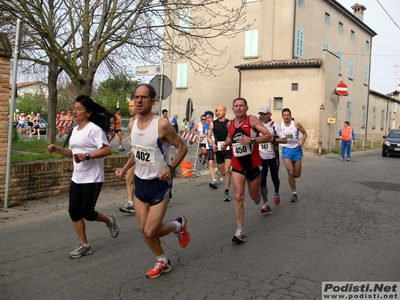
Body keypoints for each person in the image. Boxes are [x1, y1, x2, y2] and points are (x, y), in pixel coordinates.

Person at [115, 83, 190, 279]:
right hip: (141, 182)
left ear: (153, 101)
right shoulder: (131, 125)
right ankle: (162, 261)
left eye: (143, 97)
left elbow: (182, 148)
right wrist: (125, 168)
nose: (138, 100)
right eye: (136, 97)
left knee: (150, 230)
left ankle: (178, 225)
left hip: (159, 183)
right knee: (143, 229)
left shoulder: (162, 125)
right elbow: (136, 151)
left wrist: (171, 168)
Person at [47, 95, 119, 259]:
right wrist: (58, 149)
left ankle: (109, 220)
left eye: (79, 109)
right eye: (75, 109)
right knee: (74, 211)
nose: (75, 111)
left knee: (87, 213)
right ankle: (84, 245)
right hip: (77, 177)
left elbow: (106, 150)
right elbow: (72, 153)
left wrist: (87, 156)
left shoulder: (94, 129)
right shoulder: (75, 130)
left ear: (88, 112)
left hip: (93, 178)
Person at [221, 98, 273, 243]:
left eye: (241, 106)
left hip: (253, 165)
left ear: (246, 108)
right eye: (236, 106)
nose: (238, 108)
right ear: (232, 109)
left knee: (254, 196)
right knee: (238, 196)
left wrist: (252, 140)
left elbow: (269, 136)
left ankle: (259, 198)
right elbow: (230, 137)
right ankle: (240, 231)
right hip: (237, 166)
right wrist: (226, 143)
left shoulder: (252, 121)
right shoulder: (230, 124)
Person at [258, 106, 287, 213]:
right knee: (262, 180)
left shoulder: (275, 126)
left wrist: (273, 139)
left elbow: (285, 140)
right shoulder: (257, 126)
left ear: (270, 115)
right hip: (261, 157)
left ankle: (276, 192)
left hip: (273, 157)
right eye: (260, 114)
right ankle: (265, 203)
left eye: (264, 114)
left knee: (275, 178)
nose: (262, 116)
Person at [281, 108, 307, 203]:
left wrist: (302, 142)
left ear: (290, 116)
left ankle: (292, 178)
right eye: (285, 115)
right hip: (286, 150)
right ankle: (294, 193)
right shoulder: (280, 126)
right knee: (291, 172)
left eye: (288, 115)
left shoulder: (296, 124)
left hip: (296, 150)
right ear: (282, 116)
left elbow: (304, 133)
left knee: (297, 174)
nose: (286, 117)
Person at [207, 105, 232, 202]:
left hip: (228, 148)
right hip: (219, 149)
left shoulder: (229, 123)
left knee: (227, 170)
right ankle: (219, 172)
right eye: (217, 111)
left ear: (225, 112)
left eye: (220, 111)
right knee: (222, 172)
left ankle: (226, 192)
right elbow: (208, 137)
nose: (218, 112)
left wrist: (228, 143)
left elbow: (232, 135)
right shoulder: (213, 123)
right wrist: (213, 145)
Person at [119, 99, 138, 213]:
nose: (129, 108)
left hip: (144, 154)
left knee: (143, 178)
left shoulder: (143, 120)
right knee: (129, 176)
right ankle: (131, 203)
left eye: (132, 106)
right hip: (134, 152)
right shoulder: (131, 121)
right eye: (129, 106)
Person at [203, 111, 218, 189]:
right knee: (211, 163)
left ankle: (219, 171)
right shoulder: (205, 126)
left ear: (212, 117)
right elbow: (204, 134)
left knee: (220, 164)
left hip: (218, 146)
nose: (208, 120)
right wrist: (201, 136)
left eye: (209, 118)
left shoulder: (216, 124)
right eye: (206, 118)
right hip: (209, 147)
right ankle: (214, 180)